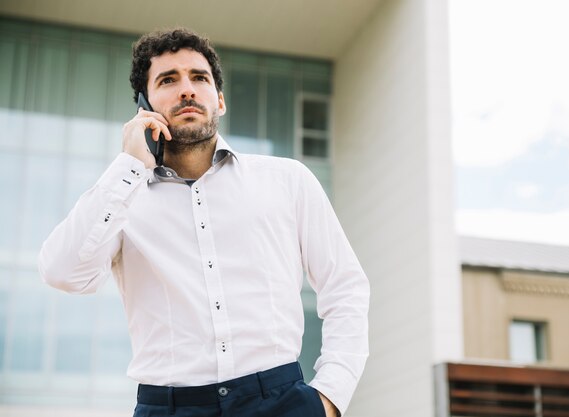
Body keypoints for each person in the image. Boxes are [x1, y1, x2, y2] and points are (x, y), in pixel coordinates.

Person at [39, 28, 369, 417]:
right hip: (169, 407)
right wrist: (128, 167)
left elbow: (345, 288)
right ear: (143, 106)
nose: (187, 90)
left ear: (220, 100)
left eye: (199, 78)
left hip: (282, 401)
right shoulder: (122, 197)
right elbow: (63, 273)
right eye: (168, 80)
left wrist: (329, 398)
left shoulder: (287, 180)